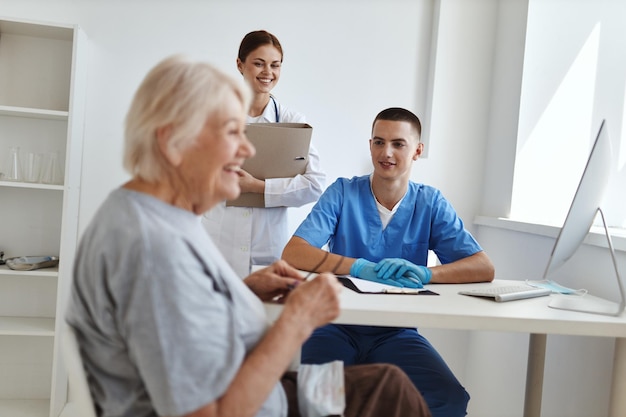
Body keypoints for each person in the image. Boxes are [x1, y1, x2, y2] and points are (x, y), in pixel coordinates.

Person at [65, 56, 432, 417]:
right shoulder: (151, 247)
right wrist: (297, 322)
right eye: (231, 132)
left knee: (388, 383)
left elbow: (180, 317)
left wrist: (239, 291)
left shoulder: (154, 215)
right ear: (173, 143)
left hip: (254, 390)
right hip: (252, 403)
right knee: (391, 395)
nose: (247, 150)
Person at [282, 107, 496, 417]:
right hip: (335, 325)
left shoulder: (430, 203)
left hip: (395, 332)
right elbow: (295, 252)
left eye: (398, 144)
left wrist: (426, 273)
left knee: (448, 400)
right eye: (379, 142)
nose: (387, 152)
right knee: (315, 400)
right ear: (370, 145)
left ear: (417, 151)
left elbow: (483, 267)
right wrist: (357, 266)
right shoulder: (343, 193)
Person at [202, 30, 325, 278]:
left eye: (275, 65)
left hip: (267, 247)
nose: (267, 72)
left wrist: (257, 186)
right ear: (240, 65)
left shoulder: (292, 122)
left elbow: (315, 185)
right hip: (218, 242)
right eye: (259, 63)